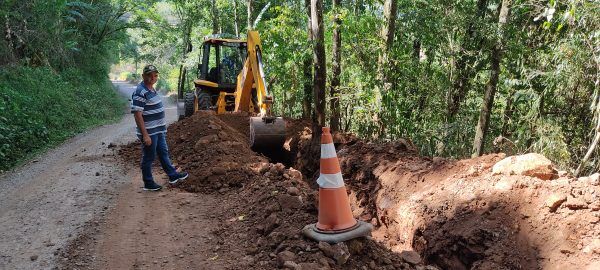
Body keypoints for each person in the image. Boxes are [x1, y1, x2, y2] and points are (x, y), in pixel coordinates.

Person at [131, 64, 188, 191]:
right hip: (150, 132)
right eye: (149, 75)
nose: (153, 78)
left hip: (158, 130)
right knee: (149, 157)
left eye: (155, 75)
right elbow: (137, 114)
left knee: (163, 153)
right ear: (143, 76)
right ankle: (148, 183)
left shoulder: (151, 89)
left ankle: (173, 175)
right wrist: (145, 135)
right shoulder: (140, 91)